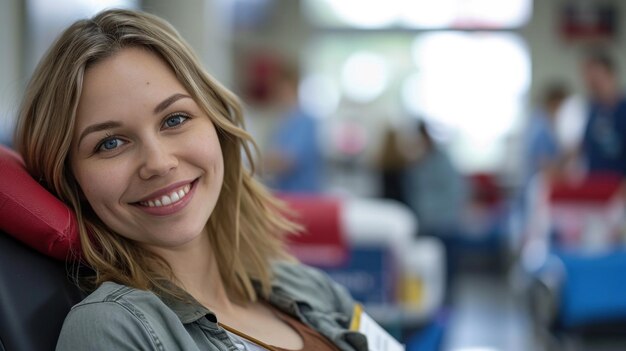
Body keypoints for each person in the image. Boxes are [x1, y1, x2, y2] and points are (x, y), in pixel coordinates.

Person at [14, 9, 368, 351]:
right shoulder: (110, 329)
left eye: (175, 119)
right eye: (110, 143)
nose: (159, 163)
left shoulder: (305, 285)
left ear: (216, 124)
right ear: (70, 178)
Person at [262, 61, 324, 193]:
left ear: (290, 87)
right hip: (285, 195)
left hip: (303, 197)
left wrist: (252, 164)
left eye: (279, 87)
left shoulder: (305, 121)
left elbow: (289, 160)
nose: (276, 92)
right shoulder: (283, 121)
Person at [580, 50, 626, 176]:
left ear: (611, 75)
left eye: (596, 77)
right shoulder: (593, 110)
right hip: (596, 185)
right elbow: (585, 145)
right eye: (589, 78)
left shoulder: (622, 109)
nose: (592, 83)